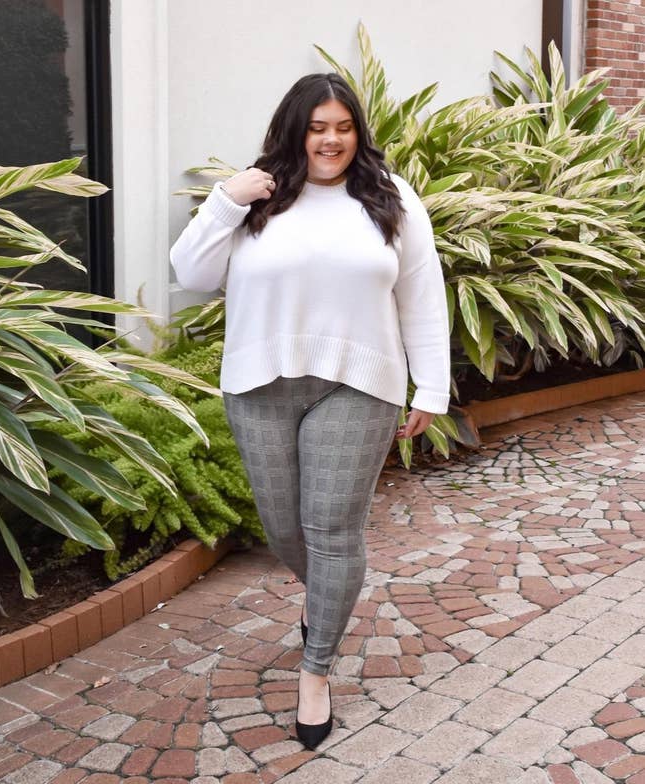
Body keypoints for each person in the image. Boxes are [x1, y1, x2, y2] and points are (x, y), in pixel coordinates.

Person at [170, 72, 451, 749]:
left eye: (343, 127)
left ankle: (316, 667)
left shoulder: (390, 198)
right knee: (283, 531)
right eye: (318, 127)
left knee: (331, 530)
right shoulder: (256, 196)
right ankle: (327, 598)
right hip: (259, 384)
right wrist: (224, 202)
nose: (331, 140)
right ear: (295, 130)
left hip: (359, 384)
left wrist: (431, 389)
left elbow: (421, 294)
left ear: (359, 132)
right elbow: (191, 275)